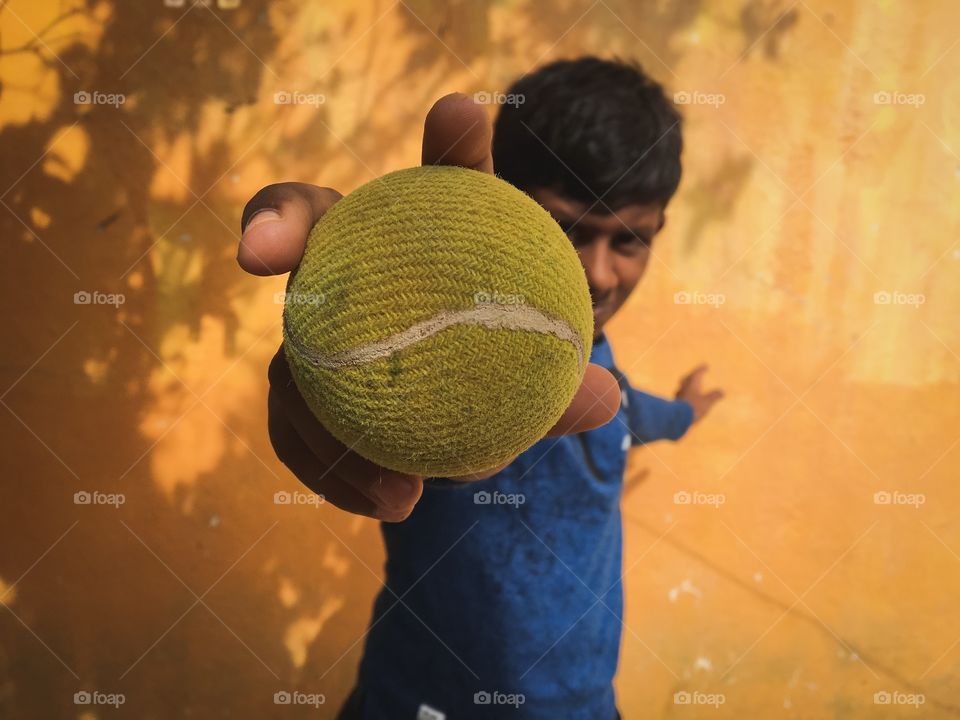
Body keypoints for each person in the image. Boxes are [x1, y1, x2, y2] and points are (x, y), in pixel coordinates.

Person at [238, 56, 723, 720]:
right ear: (499, 200)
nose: (600, 274)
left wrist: (690, 410)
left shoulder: (602, 373)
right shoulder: (442, 373)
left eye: (629, 240)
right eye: (567, 228)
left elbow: (644, 415)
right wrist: (348, 300)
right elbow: (425, 444)